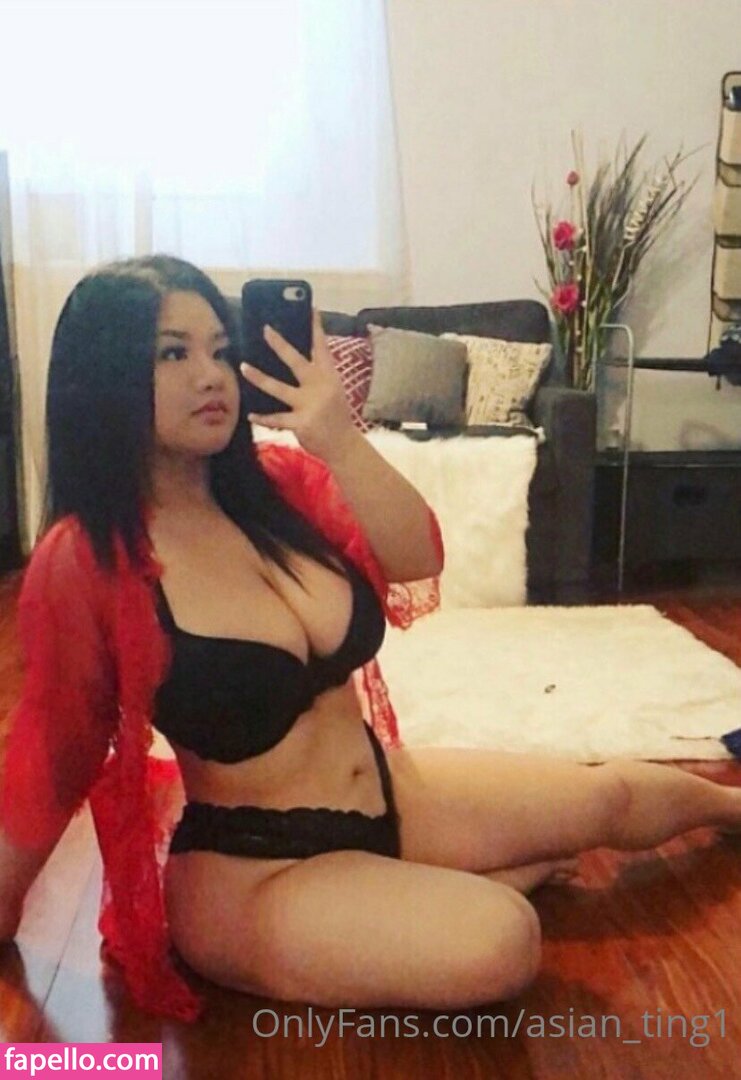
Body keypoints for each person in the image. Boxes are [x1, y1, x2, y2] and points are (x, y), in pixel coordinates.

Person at [1, 254, 740, 1023]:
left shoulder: (277, 488)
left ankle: (726, 807)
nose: (210, 375)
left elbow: (417, 556)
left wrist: (337, 437)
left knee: (609, 795)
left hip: (386, 794)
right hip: (256, 872)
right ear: (105, 377)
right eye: (172, 353)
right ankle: (470, 884)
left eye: (220, 350)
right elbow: (53, 751)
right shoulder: (88, 557)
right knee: (501, 937)